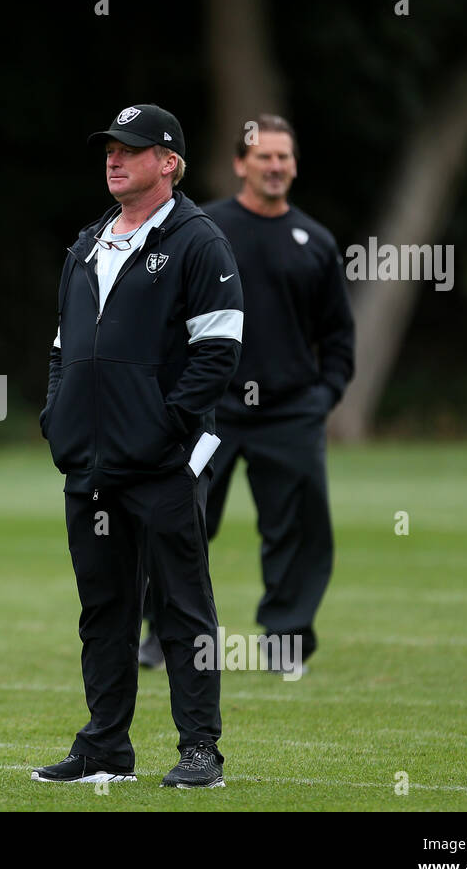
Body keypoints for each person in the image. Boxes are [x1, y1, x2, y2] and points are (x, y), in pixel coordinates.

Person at [33, 104, 243, 788]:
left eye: (130, 149)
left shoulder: (197, 241)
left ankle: (200, 751)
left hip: (160, 463)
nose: (113, 159)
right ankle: (104, 747)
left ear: (168, 162)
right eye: (109, 150)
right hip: (90, 465)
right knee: (104, 609)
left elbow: (219, 352)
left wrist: (164, 427)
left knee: (183, 608)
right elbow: (66, 348)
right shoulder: (89, 241)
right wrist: (57, 415)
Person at [140, 114, 353, 675]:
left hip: (291, 413)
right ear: (240, 164)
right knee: (177, 517)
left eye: (284, 157)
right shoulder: (200, 229)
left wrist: (323, 396)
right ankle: (163, 634)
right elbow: (162, 318)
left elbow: (337, 335)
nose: (276, 166)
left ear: (295, 165)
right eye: (264, 156)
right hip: (211, 409)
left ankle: (286, 642)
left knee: (296, 530)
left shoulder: (316, 242)